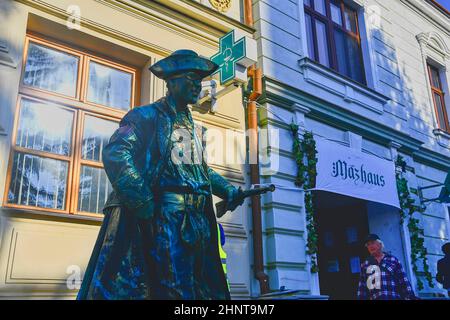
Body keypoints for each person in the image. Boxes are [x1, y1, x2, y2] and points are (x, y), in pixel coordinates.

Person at [77, 50, 244, 300]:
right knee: (174, 290)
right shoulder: (145, 116)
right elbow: (116, 153)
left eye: (200, 79)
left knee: (201, 290)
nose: (198, 84)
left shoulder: (190, 126)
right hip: (166, 219)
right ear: (171, 81)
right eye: (191, 77)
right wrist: (144, 203)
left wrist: (227, 189)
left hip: (197, 221)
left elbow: (199, 170)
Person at [357, 234, 416, 300]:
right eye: (368, 244)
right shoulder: (365, 265)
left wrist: (410, 297)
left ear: (380, 244)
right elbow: (362, 289)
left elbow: (404, 282)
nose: (370, 246)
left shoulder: (392, 260)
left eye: (373, 243)